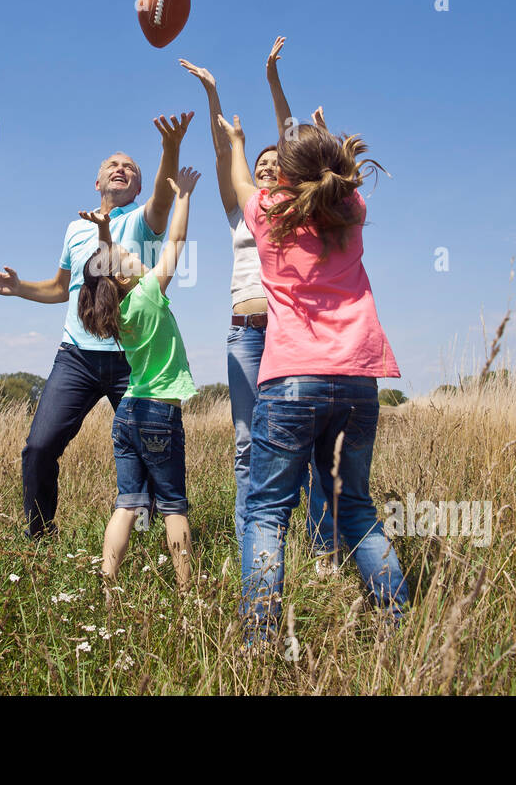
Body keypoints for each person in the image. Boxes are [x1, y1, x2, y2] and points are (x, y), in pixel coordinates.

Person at [218, 110, 409, 642]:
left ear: (282, 175)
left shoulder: (268, 210)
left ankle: (259, 640)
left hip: (291, 378)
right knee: (355, 509)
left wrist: (236, 140)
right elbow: (338, 177)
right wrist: (327, 138)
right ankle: (400, 628)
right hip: (357, 380)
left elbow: (238, 182)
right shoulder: (351, 208)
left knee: (266, 513)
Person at [0, 112, 194, 539]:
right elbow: (63, 288)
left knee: (152, 451)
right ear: (97, 184)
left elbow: (164, 193)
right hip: (76, 358)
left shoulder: (143, 220)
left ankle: (152, 536)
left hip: (133, 360)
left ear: (136, 187)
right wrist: (20, 287)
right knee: (39, 447)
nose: (121, 169)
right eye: (112, 166)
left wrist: (169, 148)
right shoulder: (75, 228)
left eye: (130, 169)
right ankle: (40, 535)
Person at [180, 38, 336, 572]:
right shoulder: (241, 210)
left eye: (275, 163)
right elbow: (226, 151)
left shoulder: (292, 208)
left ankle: (320, 545)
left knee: (308, 443)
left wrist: (273, 81)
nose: (266, 167)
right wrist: (212, 93)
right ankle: (256, 543)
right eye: (261, 163)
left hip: (290, 334)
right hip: (246, 333)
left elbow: (294, 139)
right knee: (247, 443)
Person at [76, 166, 201, 587]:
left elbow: (106, 268)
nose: (136, 260)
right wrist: (183, 196)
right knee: (173, 506)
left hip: (126, 412)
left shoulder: (116, 313)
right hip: (158, 414)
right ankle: (188, 593)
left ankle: (107, 584)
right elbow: (177, 240)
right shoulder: (150, 293)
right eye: (131, 259)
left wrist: (105, 231)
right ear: (126, 276)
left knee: (126, 505)